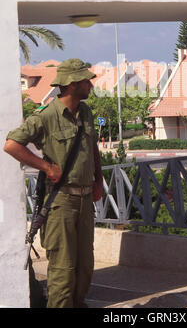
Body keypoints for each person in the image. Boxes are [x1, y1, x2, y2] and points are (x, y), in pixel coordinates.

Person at [4, 59, 103, 308]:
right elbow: (11, 144)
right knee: (63, 269)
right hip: (61, 204)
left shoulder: (87, 112)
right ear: (71, 84)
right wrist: (46, 167)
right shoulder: (46, 116)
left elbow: (93, 149)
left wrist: (98, 180)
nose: (90, 85)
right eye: (85, 81)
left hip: (84, 200)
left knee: (85, 266)